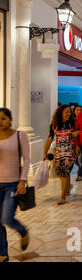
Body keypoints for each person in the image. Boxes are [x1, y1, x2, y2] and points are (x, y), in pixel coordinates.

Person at [0, 108, 30, 262]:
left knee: (6, 218)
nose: (0, 121)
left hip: (12, 184)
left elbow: (26, 159)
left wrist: (23, 179)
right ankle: (3, 253)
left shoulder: (20, 135)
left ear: (10, 120)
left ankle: (23, 231)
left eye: (3, 118)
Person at [43, 105, 78, 205]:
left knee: (65, 172)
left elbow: (79, 133)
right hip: (58, 152)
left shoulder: (73, 123)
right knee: (61, 173)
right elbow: (49, 138)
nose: (68, 114)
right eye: (66, 112)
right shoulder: (55, 125)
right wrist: (44, 152)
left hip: (70, 151)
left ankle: (62, 196)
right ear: (60, 113)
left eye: (69, 112)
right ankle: (68, 186)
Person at [73, 105, 82, 182]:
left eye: (80, 109)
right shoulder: (72, 120)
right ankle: (79, 168)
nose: (78, 111)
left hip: (81, 142)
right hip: (72, 142)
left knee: (80, 159)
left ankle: (79, 175)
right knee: (75, 159)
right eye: (77, 109)